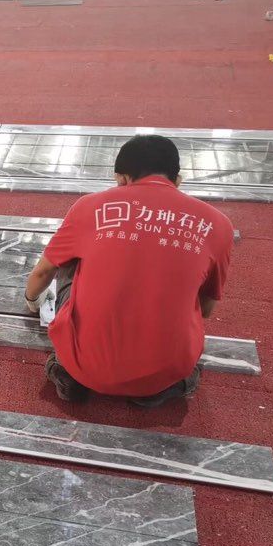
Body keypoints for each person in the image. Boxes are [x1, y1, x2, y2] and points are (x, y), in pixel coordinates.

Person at [23, 134, 234, 407]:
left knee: (68, 261)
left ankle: (67, 372)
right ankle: (160, 388)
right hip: (163, 376)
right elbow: (205, 309)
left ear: (121, 178)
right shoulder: (218, 224)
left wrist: (32, 301)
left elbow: (43, 273)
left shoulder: (90, 206)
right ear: (178, 180)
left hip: (84, 367)